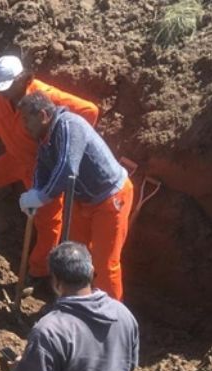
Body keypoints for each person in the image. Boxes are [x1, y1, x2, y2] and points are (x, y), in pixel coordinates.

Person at [0, 55, 99, 291]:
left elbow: (90, 111)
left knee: (48, 223)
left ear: (23, 79)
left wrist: (63, 146)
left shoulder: (44, 96)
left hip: (41, 168)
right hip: (13, 159)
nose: (3, 93)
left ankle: (39, 273)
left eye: (8, 88)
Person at [10, 242, 139, 371]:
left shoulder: (50, 329)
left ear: (56, 282)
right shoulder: (123, 315)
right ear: (91, 272)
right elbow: (129, 366)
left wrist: (17, 369)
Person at [18, 92, 132, 300]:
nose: (24, 126)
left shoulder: (69, 126)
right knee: (74, 258)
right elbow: (42, 167)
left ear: (43, 115)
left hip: (109, 197)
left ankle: (109, 320)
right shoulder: (46, 138)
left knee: (105, 264)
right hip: (84, 200)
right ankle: (75, 304)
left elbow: (67, 169)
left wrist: (42, 197)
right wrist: (35, 190)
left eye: (27, 120)